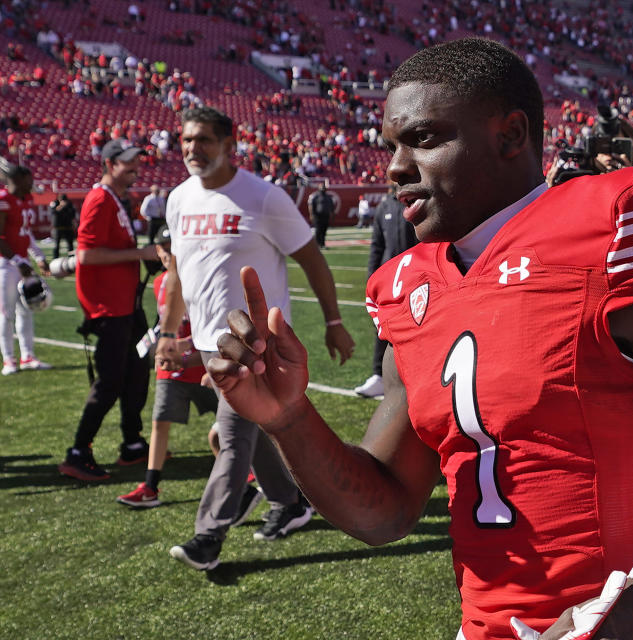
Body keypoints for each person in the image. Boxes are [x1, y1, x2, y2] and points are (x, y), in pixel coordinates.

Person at [206, 39, 633, 640]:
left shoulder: (605, 234)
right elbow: (385, 509)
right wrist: (288, 417)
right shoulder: (407, 288)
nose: (394, 167)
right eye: (391, 146)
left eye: (423, 139)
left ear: (511, 135)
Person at [155, 107, 355, 570]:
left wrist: (333, 322)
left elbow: (312, 259)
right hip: (207, 344)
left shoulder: (263, 198)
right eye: (186, 139)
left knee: (231, 435)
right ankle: (289, 501)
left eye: (203, 139)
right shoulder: (179, 198)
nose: (191, 148)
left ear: (229, 144)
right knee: (255, 429)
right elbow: (179, 274)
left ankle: (209, 533)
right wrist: (169, 329)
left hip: (253, 345)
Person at [58, 139, 159, 481]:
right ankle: (77, 452)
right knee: (111, 382)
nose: (135, 167)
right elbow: (86, 256)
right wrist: (140, 255)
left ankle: (132, 443)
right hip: (108, 308)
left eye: (136, 162)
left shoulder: (117, 198)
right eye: (127, 162)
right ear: (109, 164)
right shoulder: (100, 198)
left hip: (125, 304)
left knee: (137, 373)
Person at [116, 224, 220, 508]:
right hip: (170, 365)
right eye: (163, 248)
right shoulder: (161, 282)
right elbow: (164, 323)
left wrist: (183, 349)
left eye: (173, 248)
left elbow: (209, 330)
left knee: (238, 425)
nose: (168, 253)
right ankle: (150, 487)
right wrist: (159, 346)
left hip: (203, 364)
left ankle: (268, 480)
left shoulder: (201, 280)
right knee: (159, 422)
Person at [354, 183, 418, 398]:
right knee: (383, 327)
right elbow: (377, 245)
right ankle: (379, 375)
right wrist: (372, 277)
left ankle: (417, 377)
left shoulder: (416, 203)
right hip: (389, 277)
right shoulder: (384, 207)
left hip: (417, 275)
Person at [0, 165, 52, 375]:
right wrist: (17, 260)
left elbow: (25, 233)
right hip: (5, 263)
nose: (32, 183)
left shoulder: (26, 199)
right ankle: (9, 360)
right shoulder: (4, 199)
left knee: (27, 311)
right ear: (19, 179)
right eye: (29, 179)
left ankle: (27, 356)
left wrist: (38, 256)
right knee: (6, 313)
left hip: (21, 261)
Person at [50, 193, 77, 260]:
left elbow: (73, 214)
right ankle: (55, 259)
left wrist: (73, 224)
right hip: (58, 227)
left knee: (70, 245)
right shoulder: (54, 203)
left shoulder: (69, 204)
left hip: (68, 227)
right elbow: (54, 212)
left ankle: (71, 259)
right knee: (56, 245)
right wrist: (61, 206)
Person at [308, 183, 335, 248]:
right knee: (318, 230)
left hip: (325, 216)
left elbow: (331, 206)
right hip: (318, 216)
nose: (323, 188)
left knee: (324, 230)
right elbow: (311, 205)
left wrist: (331, 213)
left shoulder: (328, 196)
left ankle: (322, 244)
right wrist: (311, 214)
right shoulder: (315, 196)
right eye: (321, 187)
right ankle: (317, 244)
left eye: (324, 187)